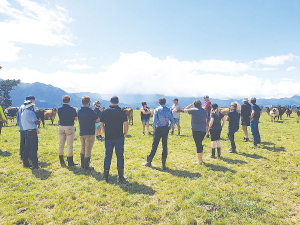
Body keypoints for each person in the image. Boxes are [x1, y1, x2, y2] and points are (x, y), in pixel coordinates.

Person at [100, 96, 128, 183]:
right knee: (120, 156)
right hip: (119, 136)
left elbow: (101, 123)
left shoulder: (105, 111)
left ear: (110, 101)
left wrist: (104, 132)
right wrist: (125, 133)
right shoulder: (121, 111)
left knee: (108, 156)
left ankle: (105, 176)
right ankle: (120, 177)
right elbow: (126, 123)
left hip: (108, 137)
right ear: (118, 102)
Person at [143, 97, 175, 170]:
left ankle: (149, 161)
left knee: (155, 145)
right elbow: (173, 121)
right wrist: (169, 128)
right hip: (165, 128)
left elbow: (154, 122)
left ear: (159, 103)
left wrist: (154, 130)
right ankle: (163, 164)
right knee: (164, 146)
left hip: (158, 128)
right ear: (165, 102)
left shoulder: (157, 110)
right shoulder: (169, 110)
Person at [77, 96, 100, 171]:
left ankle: (82, 165)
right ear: (89, 102)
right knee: (88, 150)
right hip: (90, 132)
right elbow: (97, 120)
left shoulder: (79, 111)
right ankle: (87, 167)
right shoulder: (91, 111)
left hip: (82, 132)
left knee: (83, 148)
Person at [184, 100, 208, 164]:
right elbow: (206, 120)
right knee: (200, 143)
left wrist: (191, 104)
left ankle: (199, 161)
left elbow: (185, 109)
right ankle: (201, 159)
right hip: (203, 129)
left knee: (198, 144)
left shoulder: (194, 110)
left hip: (196, 129)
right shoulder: (204, 111)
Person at [57, 95, 78, 166]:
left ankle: (61, 159)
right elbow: (76, 118)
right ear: (69, 101)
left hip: (61, 127)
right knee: (69, 145)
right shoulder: (72, 109)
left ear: (62, 101)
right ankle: (70, 161)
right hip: (69, 126)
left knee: (61, 143)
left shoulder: (59, 109)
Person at [21, 100, 40, 169]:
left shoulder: (23, 112)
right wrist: (38, 121)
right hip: (32, 131)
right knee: (33, 148)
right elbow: (36, 122)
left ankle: (25, 163)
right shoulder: (30, 113)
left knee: (27, 148)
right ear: (30, 106)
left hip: (26, 131)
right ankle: (35, 164)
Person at [16, 95, 35, 160]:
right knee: (29, 143)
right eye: (33, 100)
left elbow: (18, 117)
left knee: (22, 141)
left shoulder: (21, 107)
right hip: (28, 127)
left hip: (22, 127)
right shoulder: (30, 107)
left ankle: (22, 155)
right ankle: (29, 156)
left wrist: (19, 124)